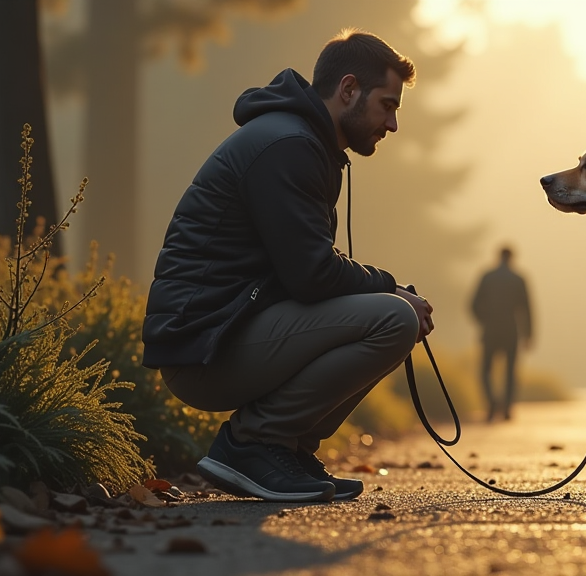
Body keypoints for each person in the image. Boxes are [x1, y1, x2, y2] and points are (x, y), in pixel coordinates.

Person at [141, 29, 434, 503]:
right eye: (389, 104)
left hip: (226, 331)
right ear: (349, 89)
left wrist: (389, 289)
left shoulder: (300, 142)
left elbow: (305, 272)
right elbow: (312, 275)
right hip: (203, 348)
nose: (393, 123)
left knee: (397, 312)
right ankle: (254, 443)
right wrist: (391, 288)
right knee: (394, 316)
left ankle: (289, 450)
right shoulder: (287, 146)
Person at [470, 246, 532, 422]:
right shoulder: (518, 279)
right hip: (511, 330)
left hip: (490, 330)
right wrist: (528, 334)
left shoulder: (487, 277)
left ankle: (492, 403)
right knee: (510, 371)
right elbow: (526, 309)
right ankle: (506, 408)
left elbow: (473, 304)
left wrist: (484, 320)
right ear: (512, 258)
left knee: (485, 370)